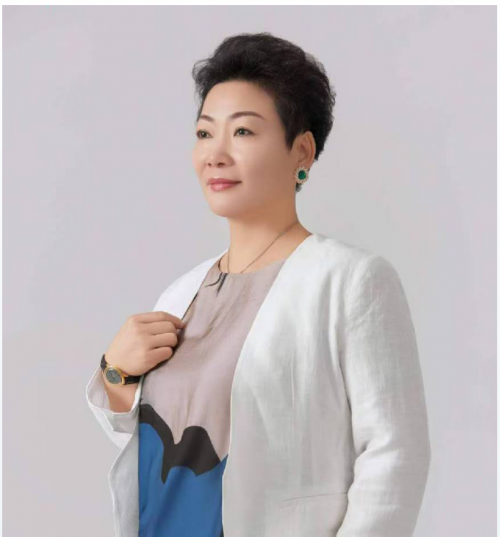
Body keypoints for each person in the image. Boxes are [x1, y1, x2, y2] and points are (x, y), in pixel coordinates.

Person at [86, 32, 431, 537]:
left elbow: (395, 456)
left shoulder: (350, 281)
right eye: (205, 133)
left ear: (302, 151)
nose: (216, 154)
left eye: (243, 132)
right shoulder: (181, 294)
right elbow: (158, 445)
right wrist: (115, 373)